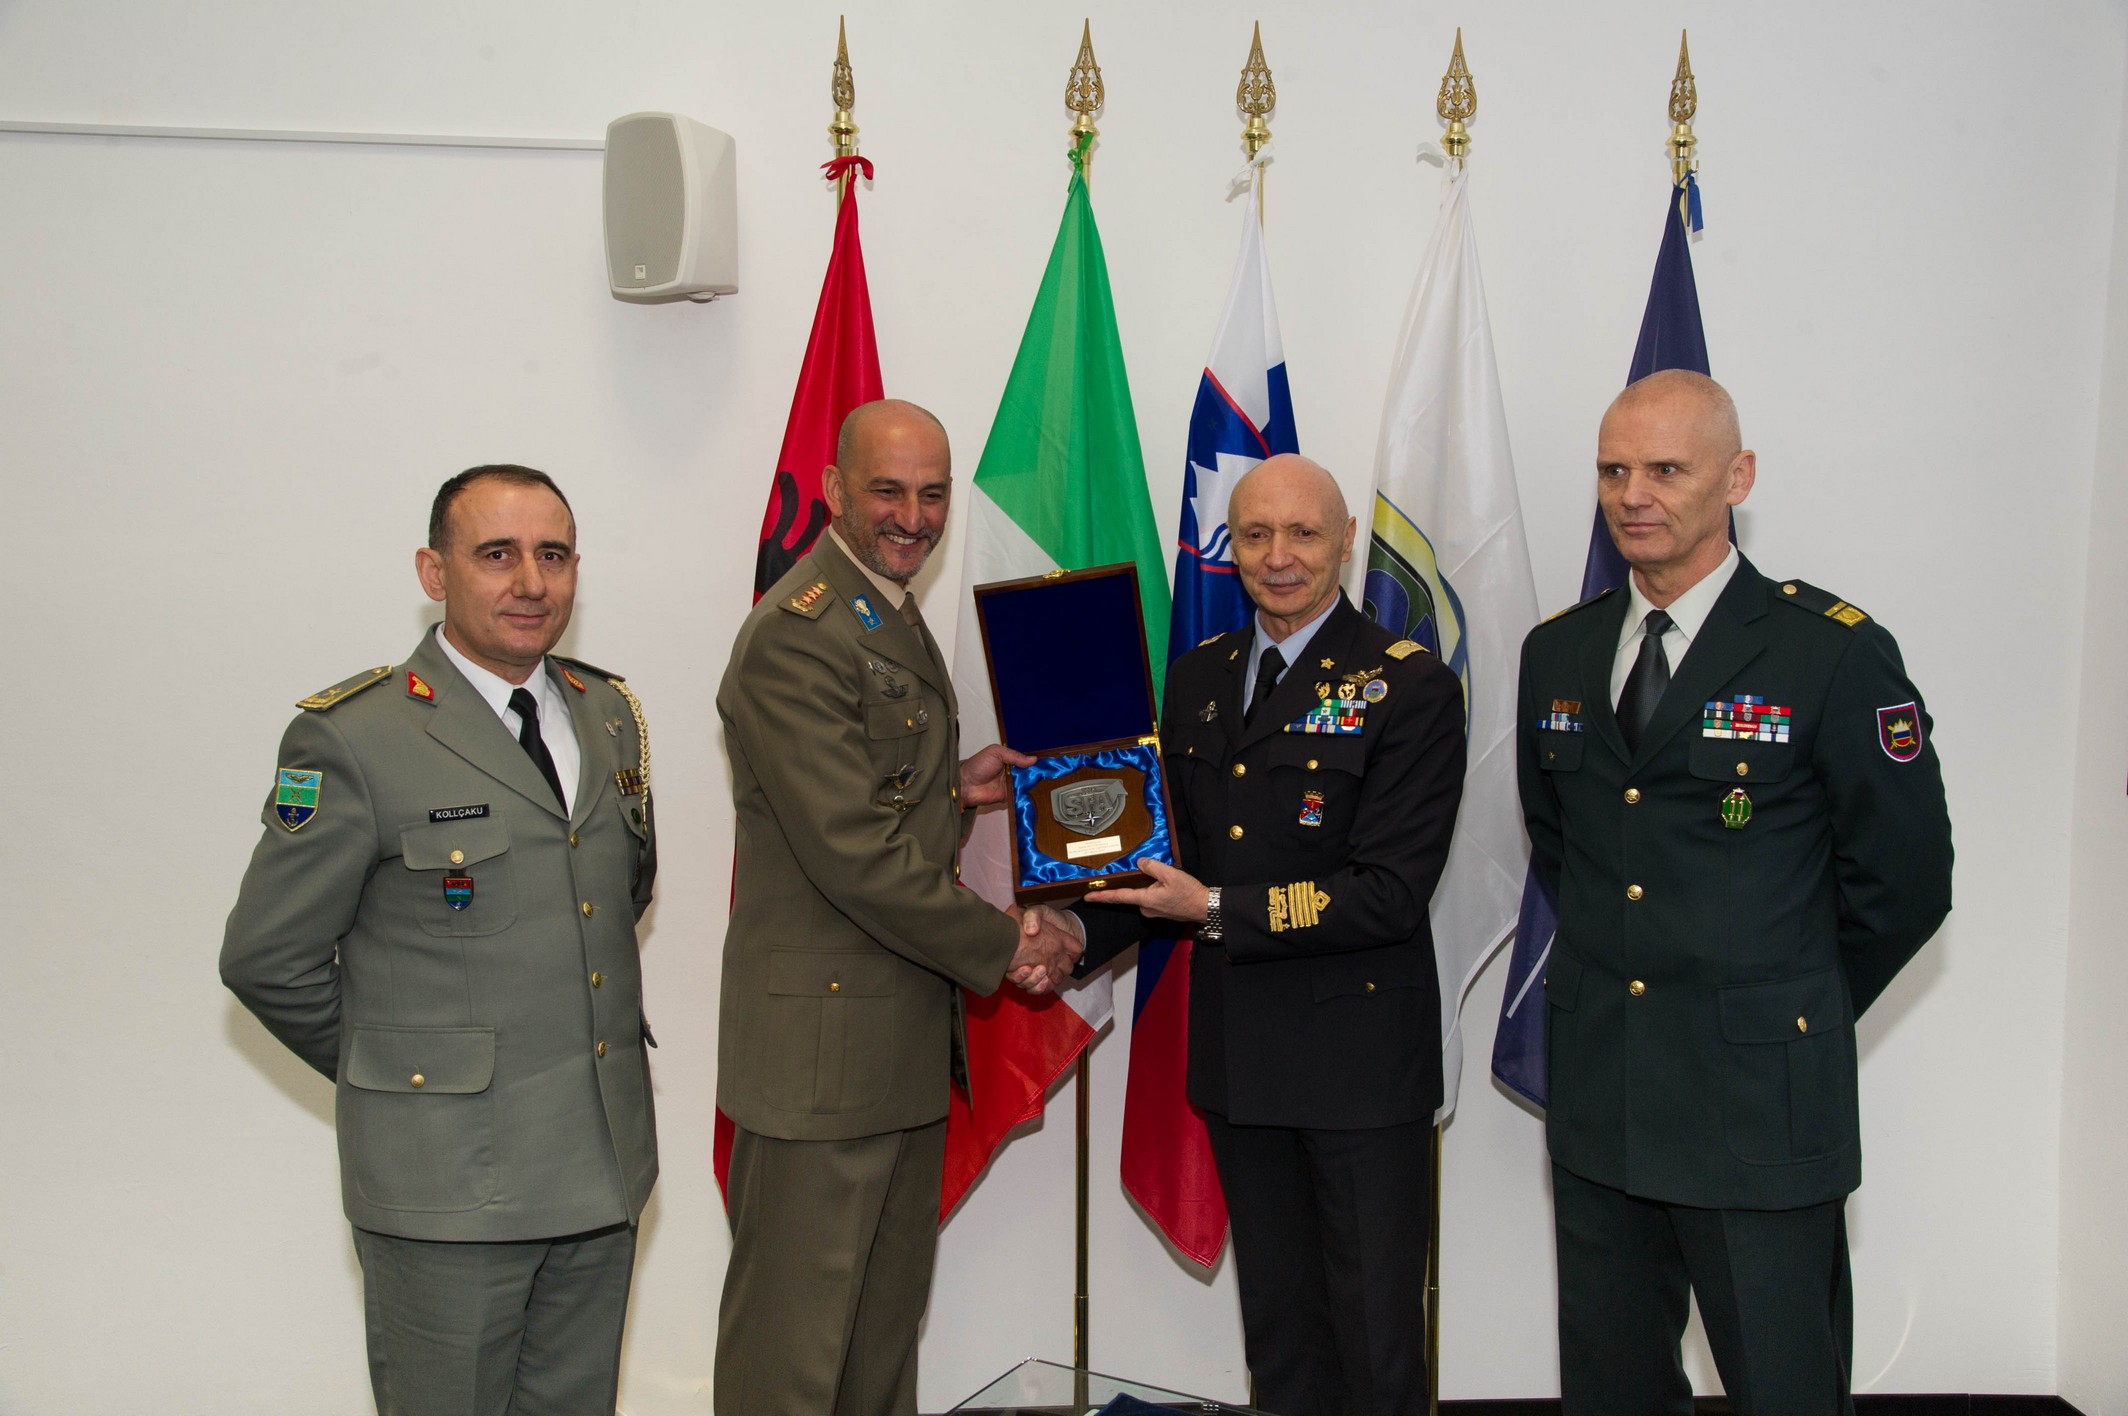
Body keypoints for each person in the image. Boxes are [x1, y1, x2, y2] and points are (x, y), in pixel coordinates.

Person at [1517, 370, 1953, 1415]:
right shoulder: (1558, 651)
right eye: (1613, 471)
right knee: (1611, 1391)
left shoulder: (1828, 653)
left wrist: (1784, 1005)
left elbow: (1904, 880)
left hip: (1756, 1104)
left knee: (1782, 1387)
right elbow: (1566, 849)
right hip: (1605, 1098)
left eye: (1667, 469)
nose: (1634, 495)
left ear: (1737, 477)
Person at [221, 464, 660, 1416]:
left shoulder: (609, 714)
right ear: (434, 571)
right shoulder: (358, 737)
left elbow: (610, 899)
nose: (531, 582)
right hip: (447, 1187)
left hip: (600, 1170)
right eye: (496, 555)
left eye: (553, 556)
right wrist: (410, 1081)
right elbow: (266, 958)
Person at [1074, 454, 1468, 1416]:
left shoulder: (1408, 685)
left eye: (1302, 533)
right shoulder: (1200, 677)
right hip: (1242, 1059)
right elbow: (1163, 853)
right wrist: (1064, 932)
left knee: (1374, 1349)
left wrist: (1214, 911)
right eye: (1255, 535)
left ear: (1346, 542)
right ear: (1232, 548)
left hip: (1358, 1070)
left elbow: (1387, 894)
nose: (1278, 556)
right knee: (1281, 1344)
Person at [714, 398, 1083, 1416]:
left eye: (932, 494)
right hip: (821, 1065)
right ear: (835, 489)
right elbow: (851, 853)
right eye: (887, 491)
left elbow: (863, 794)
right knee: (791, 1365)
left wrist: (949, 790)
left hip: (891, 1049)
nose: (913, 518)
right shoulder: (797, 633)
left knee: (877, 1355)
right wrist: (1007, 940)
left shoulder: (879, 605)